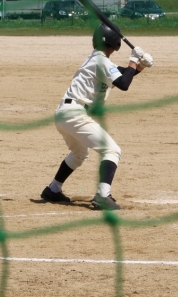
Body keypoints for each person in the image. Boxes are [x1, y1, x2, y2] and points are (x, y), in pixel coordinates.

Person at [40, 23, 153, 210]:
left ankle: (53, 189)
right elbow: (123, 84)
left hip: (65, 113)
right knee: (112, 150)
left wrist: (139, 67)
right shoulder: (101, 61)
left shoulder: (98, 59)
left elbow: (122, 75)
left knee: (79, 154)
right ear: (115, 43)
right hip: (75, 114)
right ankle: (102, 195)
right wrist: (133, 62)